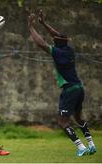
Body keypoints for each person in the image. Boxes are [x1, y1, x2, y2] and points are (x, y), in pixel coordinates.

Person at [28, 10, 96, 157]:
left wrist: (31, 27)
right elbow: (57, 35)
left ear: (57, 43)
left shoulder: (58, 52)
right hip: (79, 88)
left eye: (55, 38)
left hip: (70, 90)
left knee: (63, 121)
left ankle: (81, 147)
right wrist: (44, 23)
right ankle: (91, 145)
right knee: (78, 118)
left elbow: (41, 43)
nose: (54, 37)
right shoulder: (69, 49)